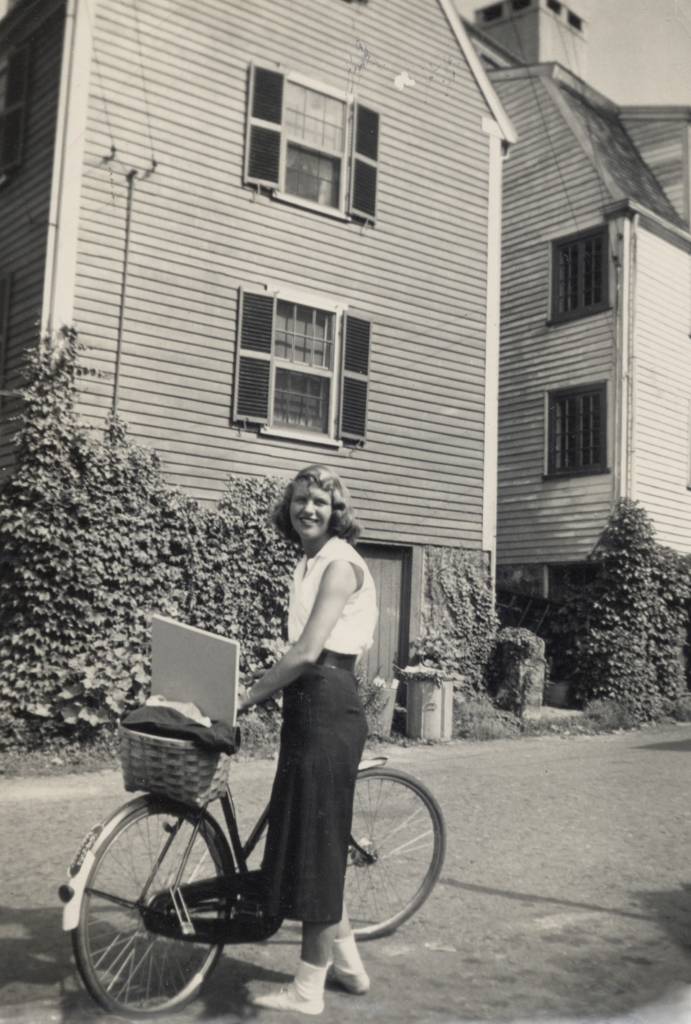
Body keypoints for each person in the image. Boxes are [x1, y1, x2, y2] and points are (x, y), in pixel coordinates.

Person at [238, 463, 377, 1017]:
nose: (308, 510)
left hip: (328, 703)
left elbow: (304, 653)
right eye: (300, 500)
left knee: (318, 849)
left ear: (337, 511)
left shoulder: (339, 565)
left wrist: (244, 697)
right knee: (309, 839)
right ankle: (349, 968)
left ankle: (307, 991)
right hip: (309, 704)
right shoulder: (307, 561)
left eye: (320, 501)